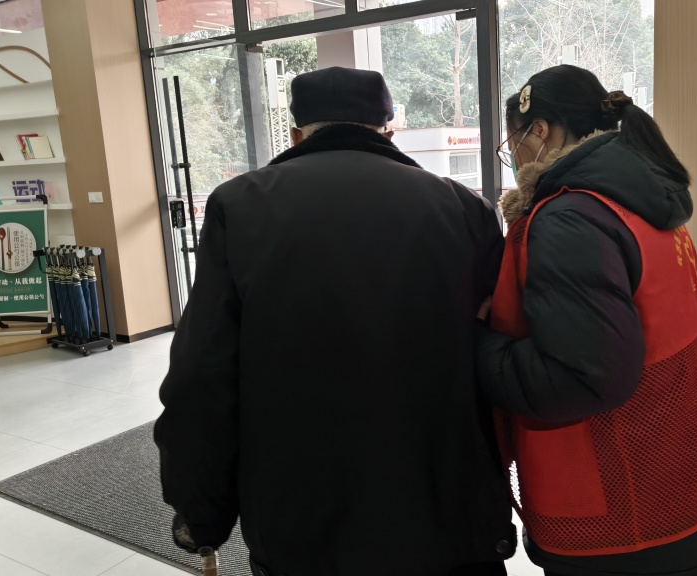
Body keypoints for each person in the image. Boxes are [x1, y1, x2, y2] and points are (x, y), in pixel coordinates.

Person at [155, 66, 515, 576]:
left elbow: (201, 373)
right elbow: (494, 348)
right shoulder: (463, 207)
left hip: (303, 517)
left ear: (296, 133)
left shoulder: (239, 205)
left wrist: (201, 512)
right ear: (387, 130)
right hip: (445, 510)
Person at [476, 65, 697, 576]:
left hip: (619, 519)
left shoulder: (569, 218)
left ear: (539, 130)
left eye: (511, 141)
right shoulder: (641, 200)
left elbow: (581, 378)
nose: (512, 155)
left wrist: (478, 345)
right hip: (678, 483)